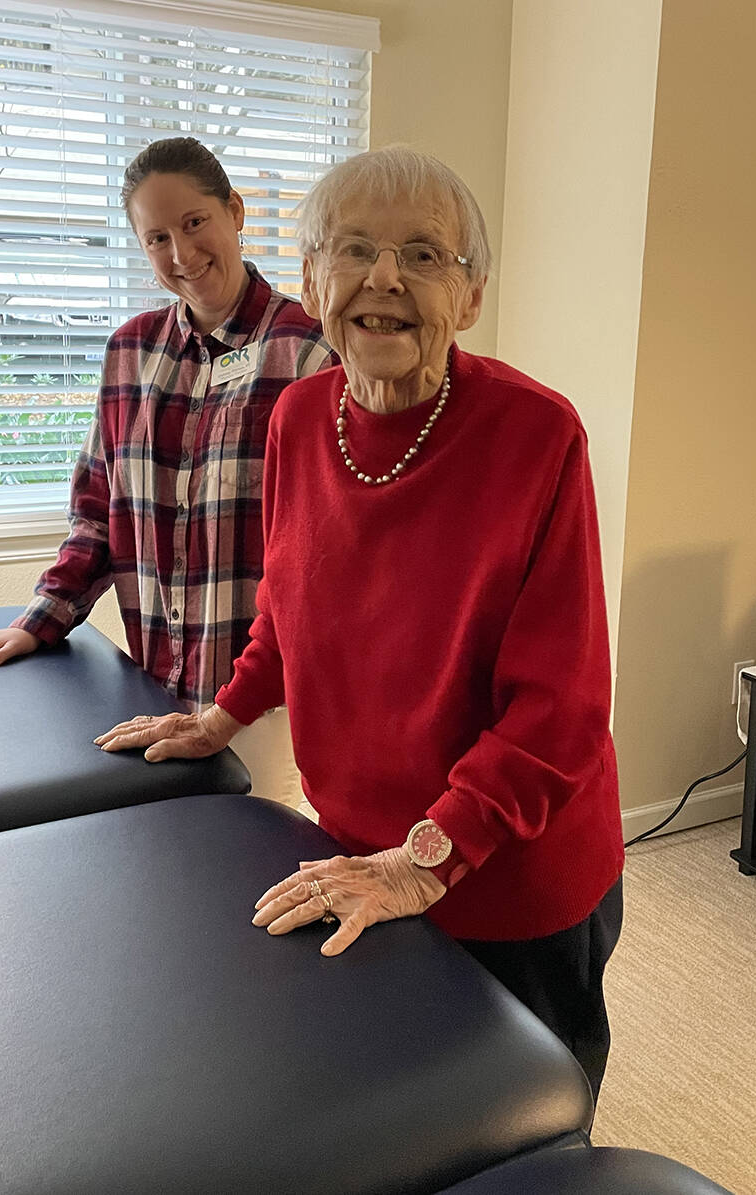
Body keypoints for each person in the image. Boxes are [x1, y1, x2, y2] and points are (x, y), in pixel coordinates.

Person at [94, 146, 626, 1103]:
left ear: (471, 295)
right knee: (392, 1100)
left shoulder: (538, 436)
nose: (384, 278)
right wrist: (224, 713)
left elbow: (562, 713)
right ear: (312, 279)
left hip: (507, 873)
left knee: (530, 1122)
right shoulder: (300, 418)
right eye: (354, 251)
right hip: (355, 845)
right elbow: (291, 609)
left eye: (425, 254)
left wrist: (429, 861)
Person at [0, 138, 336, 747]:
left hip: (265, 712)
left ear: (236, 211)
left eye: (195, 222)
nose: (182, 252)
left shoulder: (311, 353)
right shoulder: (129, 353)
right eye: (157, 238)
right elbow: (96, 513)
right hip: (152, 691)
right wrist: (43, 621)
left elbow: (324, 558)